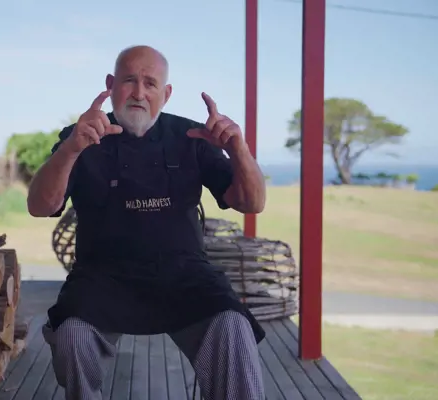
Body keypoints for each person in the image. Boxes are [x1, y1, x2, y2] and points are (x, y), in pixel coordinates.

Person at [27, 45, 267, 400]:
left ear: (166, 94)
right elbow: (39, 206)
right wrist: (71, 150)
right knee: (72, 334)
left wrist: (238, 149)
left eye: (151, 84)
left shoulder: (192, 137)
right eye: (129, 81)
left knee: (233, 326)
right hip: (101, 277)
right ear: (111, 85)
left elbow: (252, 202)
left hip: (185, 274)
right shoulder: (81, 136)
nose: (139, 92)